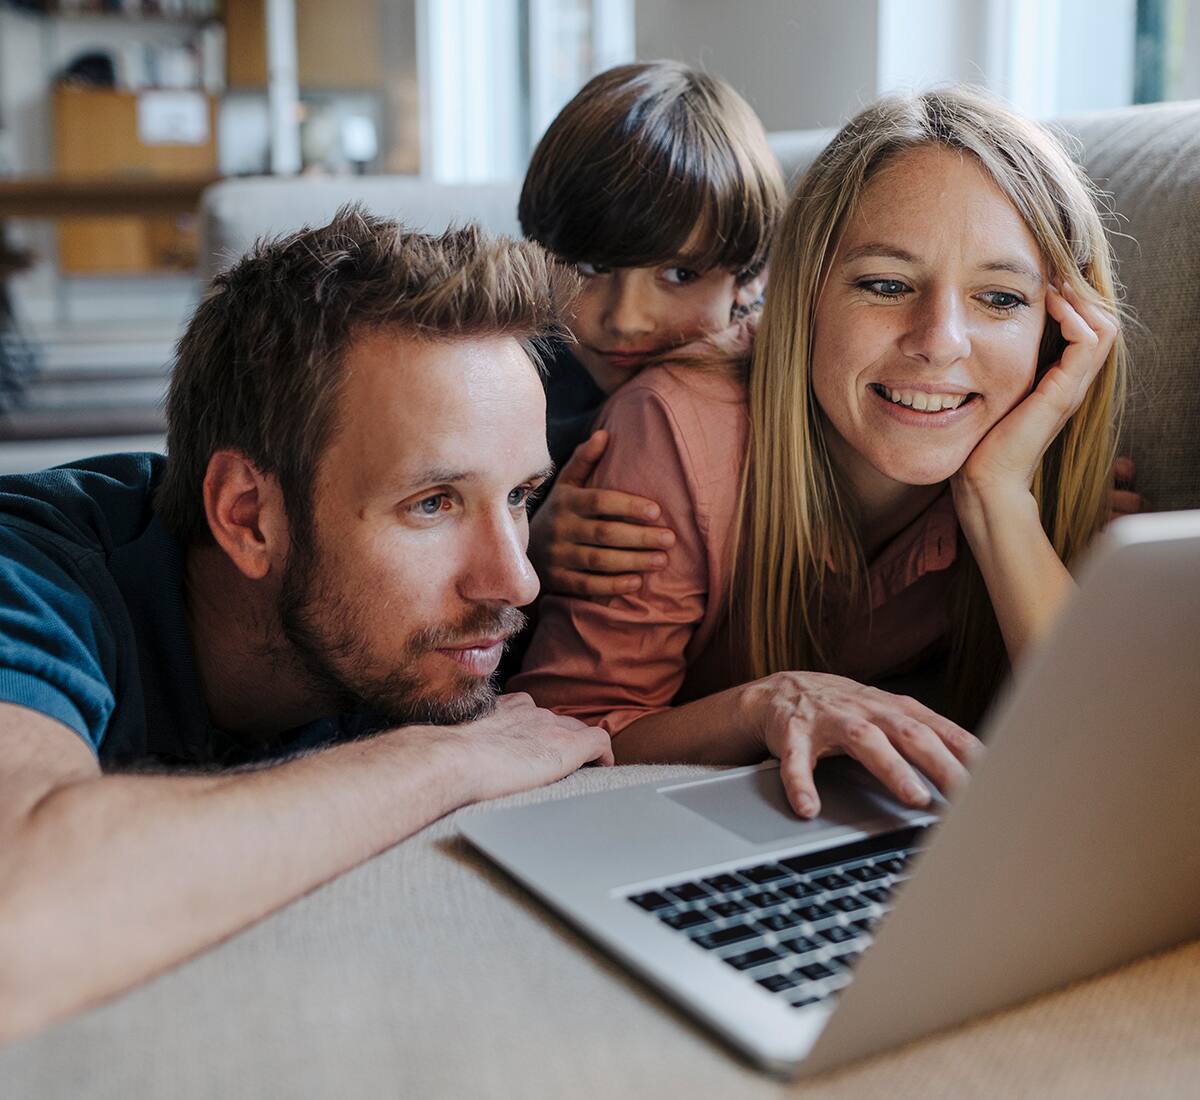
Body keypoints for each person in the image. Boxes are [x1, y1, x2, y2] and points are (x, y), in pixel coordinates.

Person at [0, 209, 612, 1042]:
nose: (518, 579)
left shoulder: (423, 629)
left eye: (519, 497)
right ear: (249, 516)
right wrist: (445, 761)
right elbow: (21, 923)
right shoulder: (30, 575)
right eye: (433, 504)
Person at [512, 86, 1128, 818]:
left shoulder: (1029, 448)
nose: (940, 342)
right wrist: (764, 705)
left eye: (1000, 299)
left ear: (1056, 331)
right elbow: (561, 741)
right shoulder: (668, 425)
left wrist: (999, 502)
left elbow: (1122, 777)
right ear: (800, 294)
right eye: (886, 284)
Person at [516, 60, 785, 600]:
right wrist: (525, 550)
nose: (626, 318)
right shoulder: (508, 379)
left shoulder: (779, 399)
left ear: (749, 280)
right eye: (591, 268)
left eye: (680, 274)